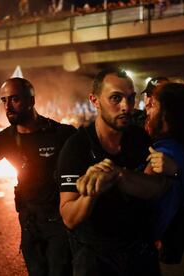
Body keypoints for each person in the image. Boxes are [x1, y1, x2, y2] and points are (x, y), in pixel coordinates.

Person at [0, 77, 75, 276]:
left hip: (59, 222)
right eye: (4, 100)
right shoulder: (5, 139)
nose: (7, 106)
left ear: (31, 101)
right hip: (29, 223)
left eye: (14, 99)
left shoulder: (61, 134)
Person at [57, 68, 163, 276]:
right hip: (96, 258)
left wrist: (118, 174)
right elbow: (69, 216)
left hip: (140, 252)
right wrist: (92, 191)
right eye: (116, 98)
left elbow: (155, 188)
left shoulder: (139, 138)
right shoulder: (77, 147)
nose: (126, 106)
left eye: (130, 98)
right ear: (94, 101)